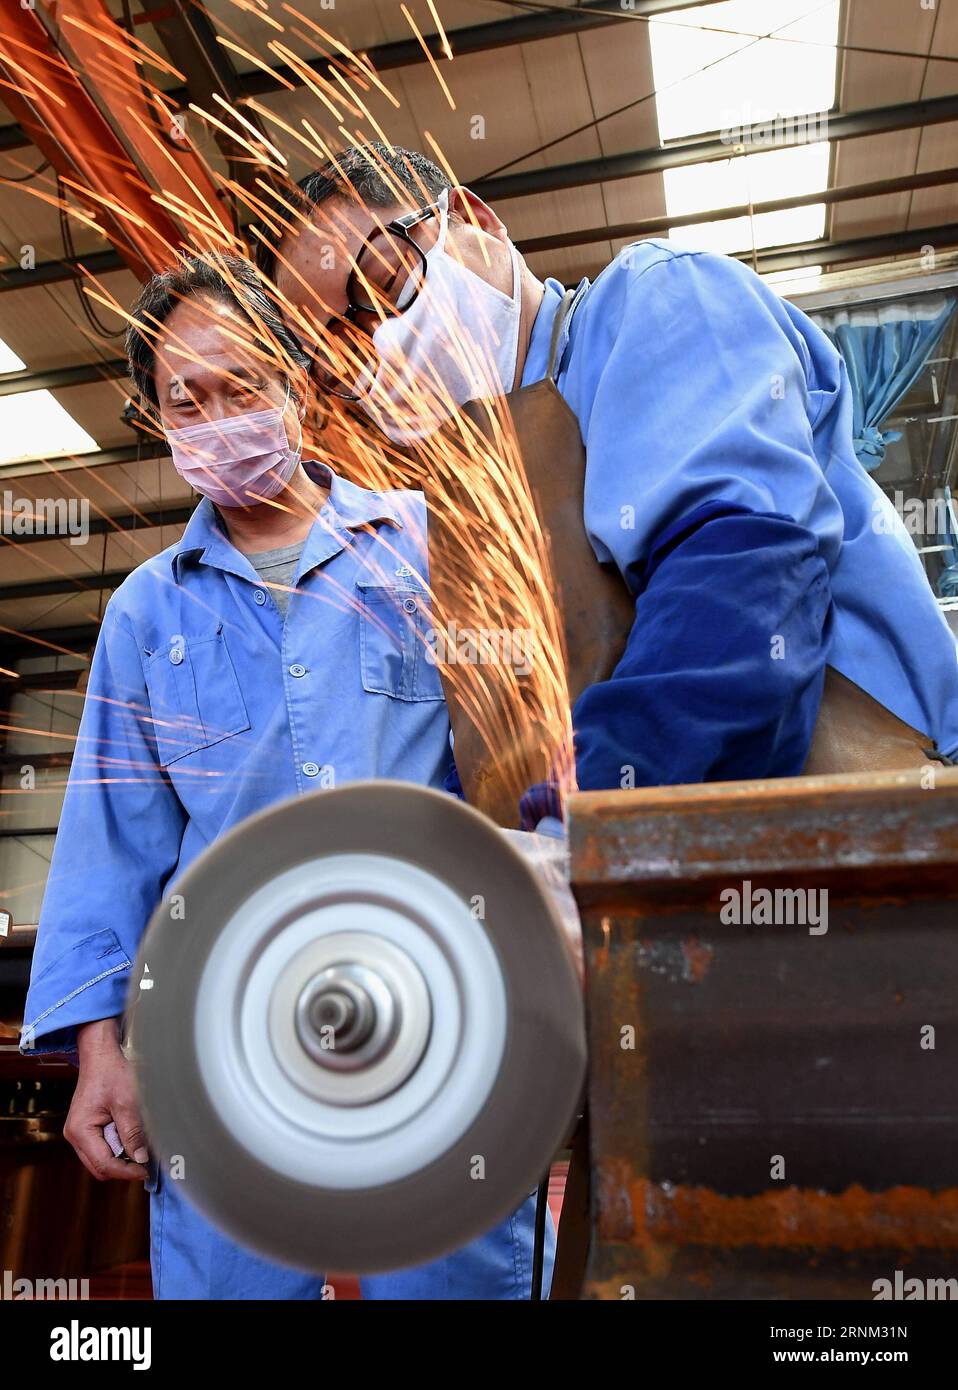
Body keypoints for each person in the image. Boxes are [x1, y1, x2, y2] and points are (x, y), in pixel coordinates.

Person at [19, 252, 554, 1300]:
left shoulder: (427, 550)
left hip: (435, 997)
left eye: (246, 385)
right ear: (158, 418)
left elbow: (524, 769)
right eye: (189, 399)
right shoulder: (146, 612)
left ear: (300, 387)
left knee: (457, 1276)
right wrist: (100, 1051)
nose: (220, 416)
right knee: (231, 1280)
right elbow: (110, 846)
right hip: (223, 1019)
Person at [256, 143, 958, 815]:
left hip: (871, 836)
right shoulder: (475, 499)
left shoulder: (657, 301)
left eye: (384, 281)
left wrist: (584, 818)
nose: (378, 340)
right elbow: (500, 741)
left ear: (474, 218)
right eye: (338, 351)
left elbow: (741, 589)